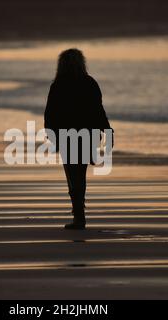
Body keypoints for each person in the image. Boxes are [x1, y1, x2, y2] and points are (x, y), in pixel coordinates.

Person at [44, 48, 113, 230]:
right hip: (88, 134)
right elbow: (98, 109)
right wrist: (107, 129)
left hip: (66, 135)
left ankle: (78, 216)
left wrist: (51, 133)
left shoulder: (57, 85)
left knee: (72, 175)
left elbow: (50, 114)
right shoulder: (90, 83)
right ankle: (79, 214)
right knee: (79, 175)